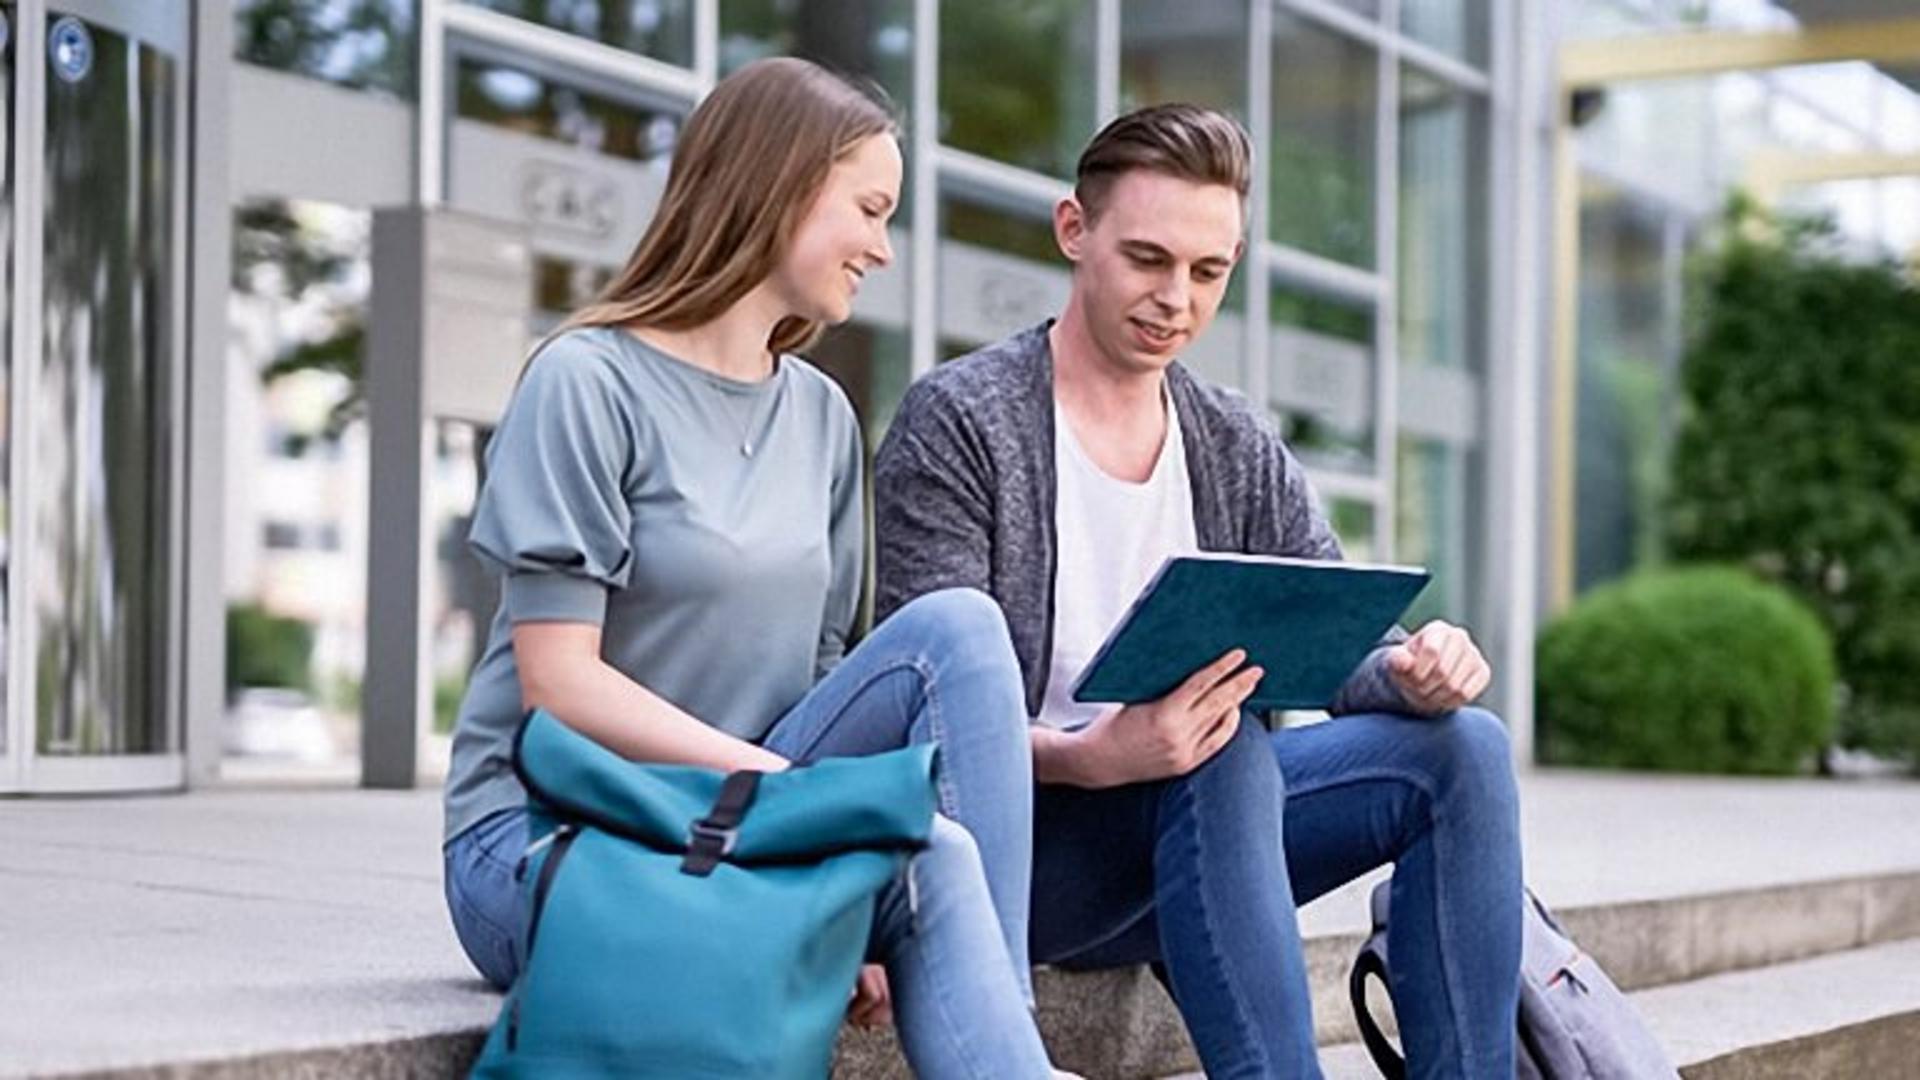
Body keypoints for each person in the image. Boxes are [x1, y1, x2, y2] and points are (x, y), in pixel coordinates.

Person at [873, 103, 1522, 1079]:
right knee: (1216, 749)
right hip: (1029, 852)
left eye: (1209, 272)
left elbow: (1336, 630)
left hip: (1211, 831)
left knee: (1466, 748)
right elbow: (924, 719)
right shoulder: (962, 421)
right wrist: (1098, 759)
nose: (1177, 298)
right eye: (1147, 259)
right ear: (1073, 231)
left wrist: (1416, 666)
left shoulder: (1229, 437)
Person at [441, 57, 1057, 1078]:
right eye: (869, 207)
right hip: (552, 835)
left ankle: (1015, 1043)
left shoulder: (819, 417)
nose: (884, 248)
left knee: (956, 650)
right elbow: (558, 684)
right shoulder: (586, 382)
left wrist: (817, 845)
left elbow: (822, 680)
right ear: (778, 186)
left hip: (731, 827)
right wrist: (796, 807)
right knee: (927, 828)